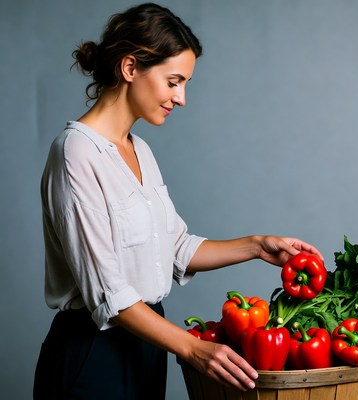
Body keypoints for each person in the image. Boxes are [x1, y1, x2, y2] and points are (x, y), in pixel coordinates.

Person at [33, 3, 324, 399]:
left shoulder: (141, 151)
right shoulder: (76, 153)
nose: (181, 97)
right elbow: (110, 295)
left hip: (148, 344)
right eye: (173, 81)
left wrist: (257, 245)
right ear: (130, 68)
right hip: (92, 352)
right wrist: (193, 347)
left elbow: (175, 248)